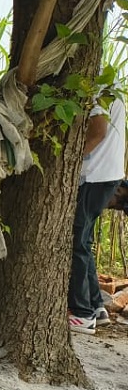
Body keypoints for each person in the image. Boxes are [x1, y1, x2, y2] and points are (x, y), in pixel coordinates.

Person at [68, 92, 125, 335]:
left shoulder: (98, 86)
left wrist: (68, 160)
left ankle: (82, 314)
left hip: (94, 176)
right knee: (84, 241)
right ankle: (96, 307)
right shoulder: (111, 85)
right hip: (106, 176)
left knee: (77, 243)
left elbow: (98, 132)